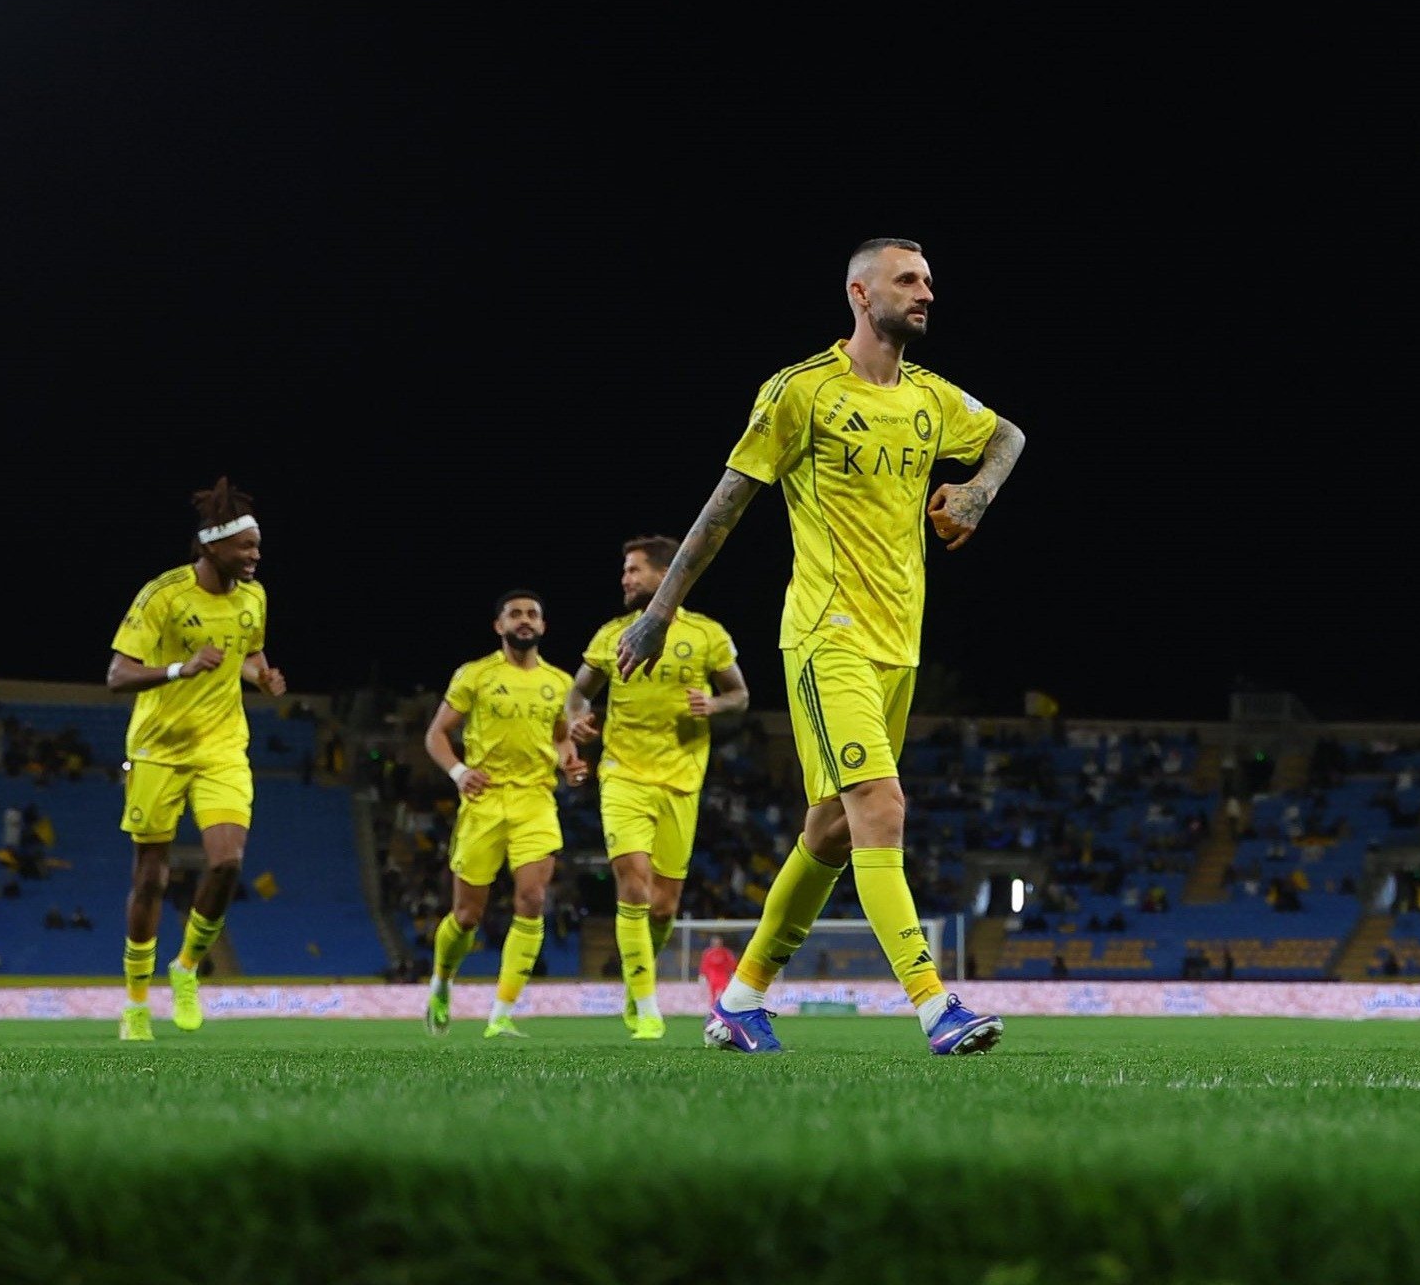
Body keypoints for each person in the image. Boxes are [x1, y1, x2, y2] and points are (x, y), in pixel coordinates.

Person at [619, 237, 1029, 1057]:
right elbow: (727, 501)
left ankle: (739, 1001)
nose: (925, 293)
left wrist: (979, 491)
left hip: (899, 647)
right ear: (858, 292)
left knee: (831, 832)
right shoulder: (801, 391)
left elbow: (1010, 434)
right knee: (880, 808)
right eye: (907, 280)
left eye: (929, 282)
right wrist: (661, 609)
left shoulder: (929, 398)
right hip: (825, 636)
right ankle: (934, 1005)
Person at [105, 480, 284, 1041]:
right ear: (212, 546)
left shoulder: (254, 598)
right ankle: (136, 1002)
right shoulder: (163, 595)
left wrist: (263, 675)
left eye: (258, 545)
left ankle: (186, 967)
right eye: (247, 546)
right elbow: (117, 675)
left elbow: (249, 653)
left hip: (223, 746)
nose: (256, 554)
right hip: (157, 748)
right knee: (151, 878)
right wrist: (182, 668)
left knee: (228, 863)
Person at [579, 535, 749, 1038]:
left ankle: (638, 982)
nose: (625, 578)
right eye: (625, 570)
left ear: (665, 574)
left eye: (634, 570)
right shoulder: (612, 634)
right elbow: (576, 695)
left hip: (680, 782)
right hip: (623, 775)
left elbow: (739, 695)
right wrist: (577, 720)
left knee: (664, 906)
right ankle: (647, 1006)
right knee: (632, 882)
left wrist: (713, 705)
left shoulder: (706, 634)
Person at [421, 589, 587, 1037]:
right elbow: (436, 735)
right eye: (514, 614)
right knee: (467, 916)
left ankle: (502, 1014)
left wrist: (568, 762)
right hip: (485, 801)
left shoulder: (559, 682)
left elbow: (560, 738)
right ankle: (441, 981)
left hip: (535, 800)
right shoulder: (474, 675)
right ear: (499, 626)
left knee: (532, 901)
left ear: (543, 626)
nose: (524, 620)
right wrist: (458, 771)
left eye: (533, 613)